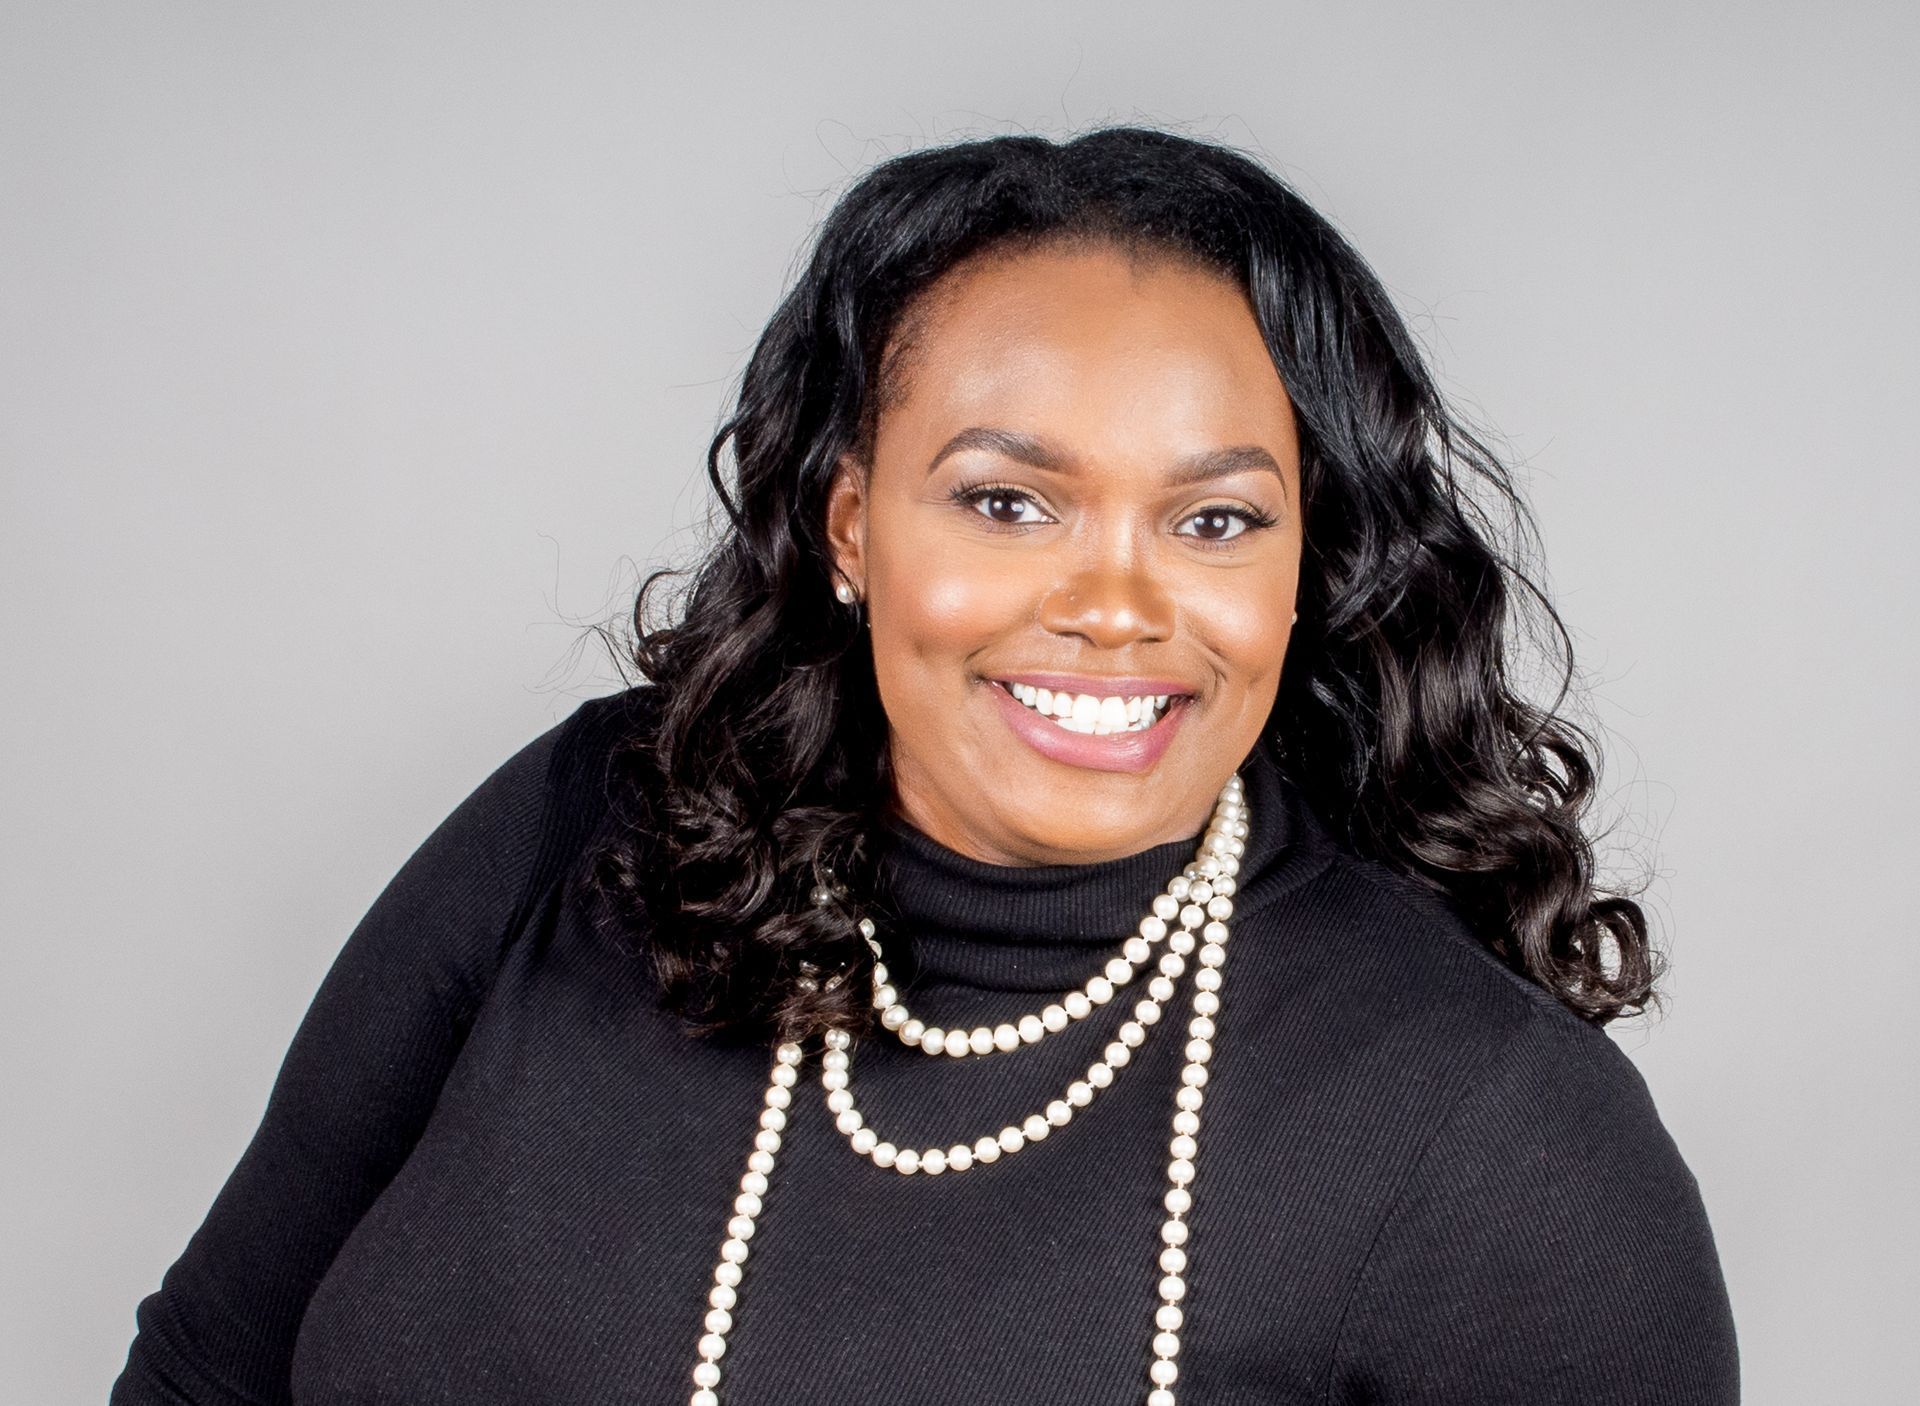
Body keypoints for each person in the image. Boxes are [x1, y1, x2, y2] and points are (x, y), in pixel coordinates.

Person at [111, 127, 1739, 1405]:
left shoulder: (1497, 1142)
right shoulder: (583, 826)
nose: (1113, 604)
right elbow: (206, 1373)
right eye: (1007, 500)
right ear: (848, 526)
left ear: (1304, 571)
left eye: (1217, 518)